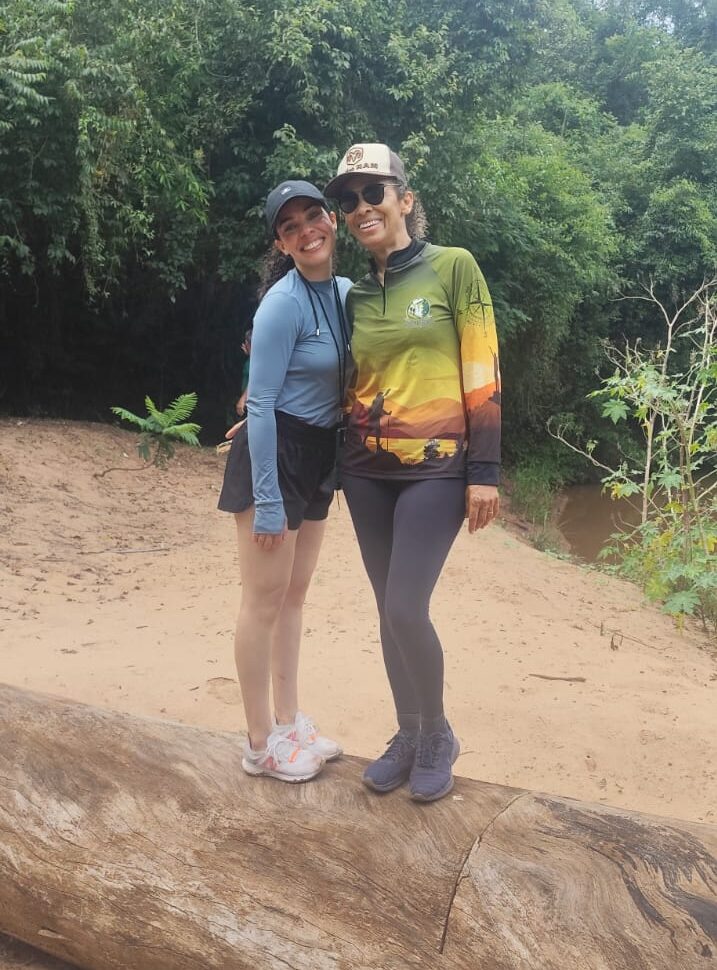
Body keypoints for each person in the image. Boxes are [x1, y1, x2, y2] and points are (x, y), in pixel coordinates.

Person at [324, 144, 501, 802]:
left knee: (406, 605)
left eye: (373, 192)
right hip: (364, 471)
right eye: (348, 200)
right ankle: (407, 731)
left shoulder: (453, 268)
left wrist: (484, 471)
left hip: (437, 468)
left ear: (404, 198)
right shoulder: (353, 296)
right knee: (387, 610)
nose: (361, 207)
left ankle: (436, 735)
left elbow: (481, 368)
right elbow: (340, 381)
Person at [218, 179, 352, 783]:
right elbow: (263, 403)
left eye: (313, 216)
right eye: (290, 226)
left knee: (294, 596)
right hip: (274, 454)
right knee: (262, 601)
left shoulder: (346, 296)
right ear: (281, 243)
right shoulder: (282, 303)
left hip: (319, 453)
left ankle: (290, 720)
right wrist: (268, 500)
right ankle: (259, 742)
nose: (306, 231)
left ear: (332, 220)